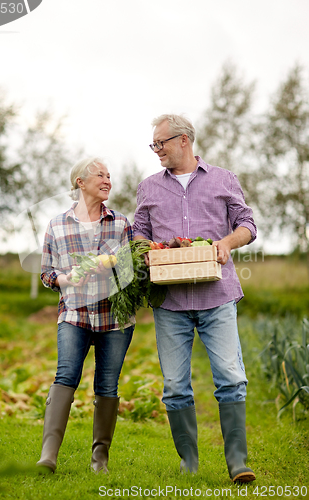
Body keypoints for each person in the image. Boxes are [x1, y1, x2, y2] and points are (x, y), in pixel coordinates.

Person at [133, 114, 257, 483]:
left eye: (161, 143)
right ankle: (189, 463)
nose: (156, 150)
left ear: (184, 140)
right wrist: (143, 251)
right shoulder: (148, 187)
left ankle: (238, 463)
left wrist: (226, 243)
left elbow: (247, 225)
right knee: (174, 386)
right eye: (153, 144)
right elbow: (139, 232)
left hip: (217, 296)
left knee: (231, 379)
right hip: (170, 302)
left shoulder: (222, 179)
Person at [37, 157, 134, 474]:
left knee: (107, 385)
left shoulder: (120, 224)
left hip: (114, 318)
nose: (108, 180)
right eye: (101, 175)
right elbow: (47, 273)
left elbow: (133, 272)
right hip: (74, 314)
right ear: (80, 181)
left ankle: (99, 461)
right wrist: (65, 279)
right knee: (65, 376)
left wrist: (111, 267)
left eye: (110, 175)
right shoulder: (57, 224)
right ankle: (48, 456)